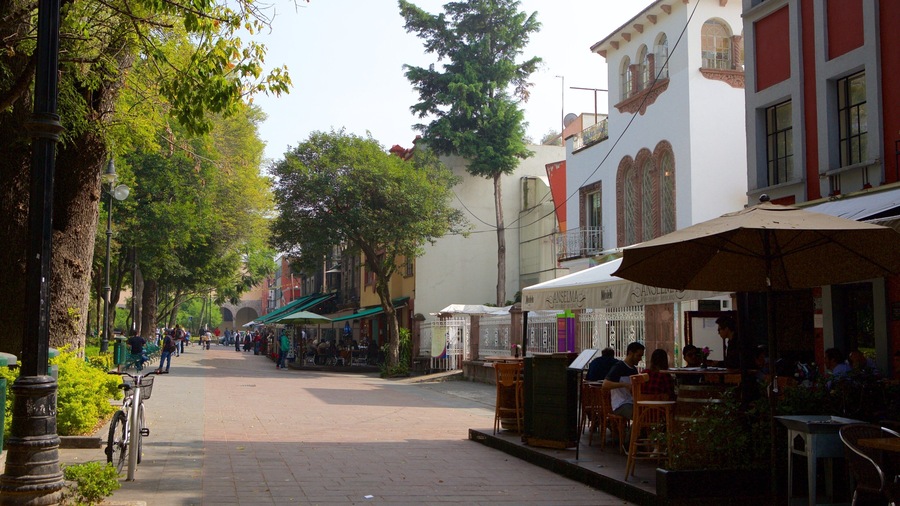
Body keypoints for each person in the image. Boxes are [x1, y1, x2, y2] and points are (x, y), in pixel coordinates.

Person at [601, 341, 645, 421]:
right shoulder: (618, 367)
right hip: (620, 404)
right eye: (638, 356)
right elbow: (605, 384)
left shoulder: (634, 370)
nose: (640, 359)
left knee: (646, 413)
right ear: (631, 353)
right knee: (638, 415)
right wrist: (624, 385)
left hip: (632, 402)